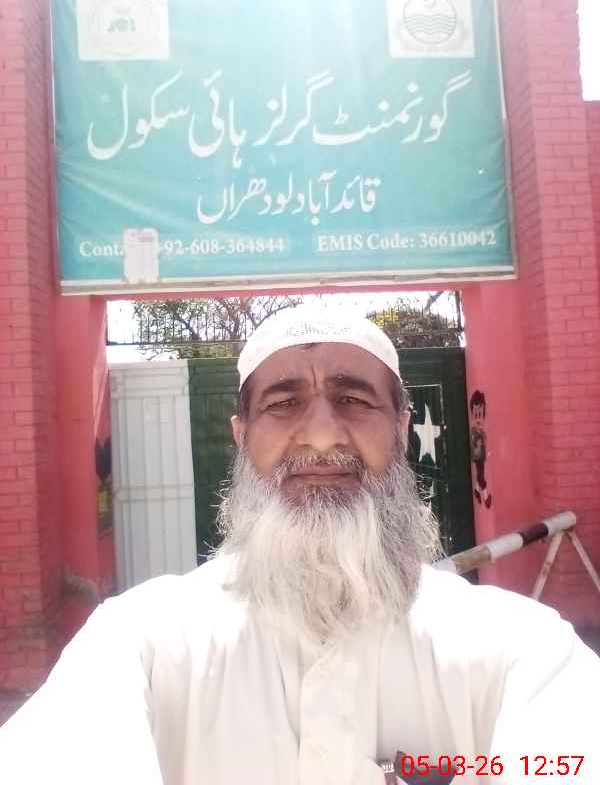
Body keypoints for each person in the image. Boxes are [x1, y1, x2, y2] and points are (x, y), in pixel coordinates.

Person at [1, 307, 599, 785]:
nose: (320, 435)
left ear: (399, 425)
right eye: (283, 403)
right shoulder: (140, 642)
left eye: (354, 400)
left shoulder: (522, 648)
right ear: (241, 436)